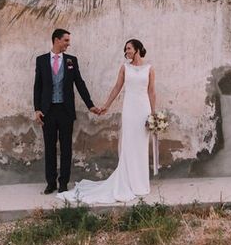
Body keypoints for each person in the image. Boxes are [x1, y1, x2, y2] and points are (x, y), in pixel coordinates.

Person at [57, 38, 155, 204]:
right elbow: (117, 87)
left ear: (137, 49)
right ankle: (128, 181)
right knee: (129, 145)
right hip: (130, 109)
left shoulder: (149, 68)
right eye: (126, 49)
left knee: (141, 145)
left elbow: (151, 91)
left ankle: (140, 184)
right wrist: (106, 106)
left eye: (129, 48)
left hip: (143, 109)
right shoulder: (125, 67)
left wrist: (153, 114)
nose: (127, 52)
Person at [34, 29, 101, 194]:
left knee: (66, 148)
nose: (68, 43)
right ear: (56, 40)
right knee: (49, 148)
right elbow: (38, 86)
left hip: (65, 111)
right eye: (66, 40)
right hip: (48, 112)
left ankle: (63, 182)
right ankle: (51, 183)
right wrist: (37, 109)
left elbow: (79, 83)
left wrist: (90, 105)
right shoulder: (41, 60)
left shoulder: (72, 60)